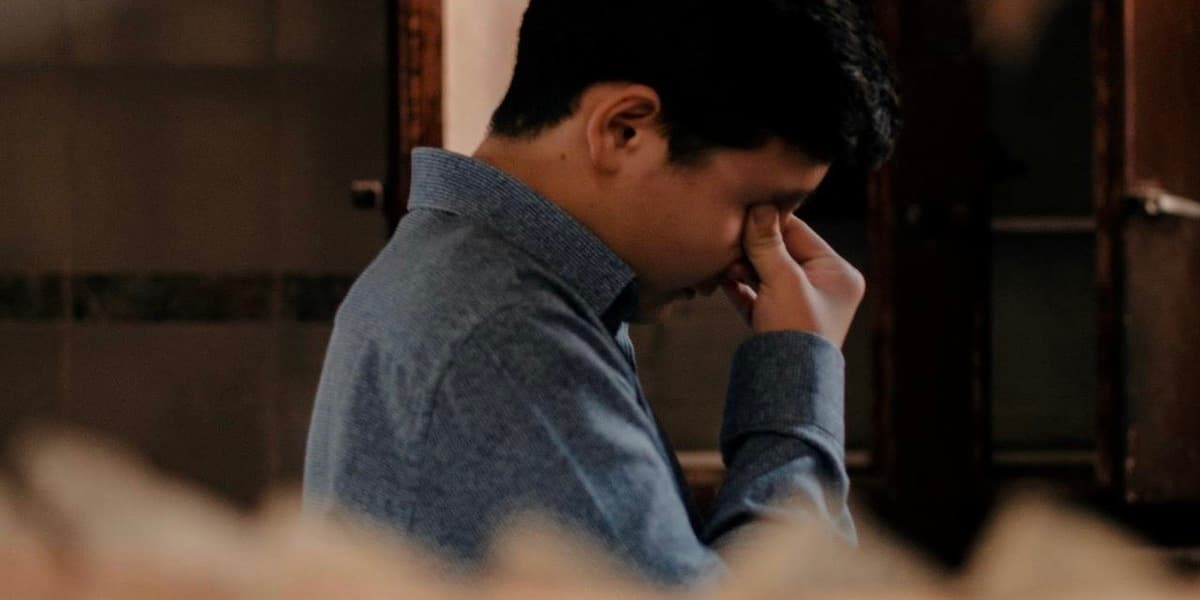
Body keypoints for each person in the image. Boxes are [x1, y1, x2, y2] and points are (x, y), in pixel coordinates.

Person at [303, 0, 899, 587]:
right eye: (758, 207)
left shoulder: (476, 279)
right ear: (624, 129)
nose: (761, 247)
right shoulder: (506, 336)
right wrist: (798, 368)